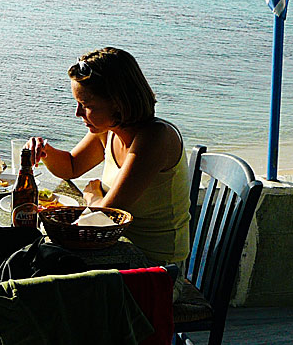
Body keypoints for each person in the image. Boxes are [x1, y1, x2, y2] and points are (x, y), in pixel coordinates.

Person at [27, 47, 190, 265]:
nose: (78, 113)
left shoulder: (156, 137)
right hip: (112, 252)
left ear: (118, 102)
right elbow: (71, 167)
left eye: (86, 105)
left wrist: (91, 198)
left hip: (155, 271)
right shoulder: (109, 130)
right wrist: (45, 150)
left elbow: (105, 217)